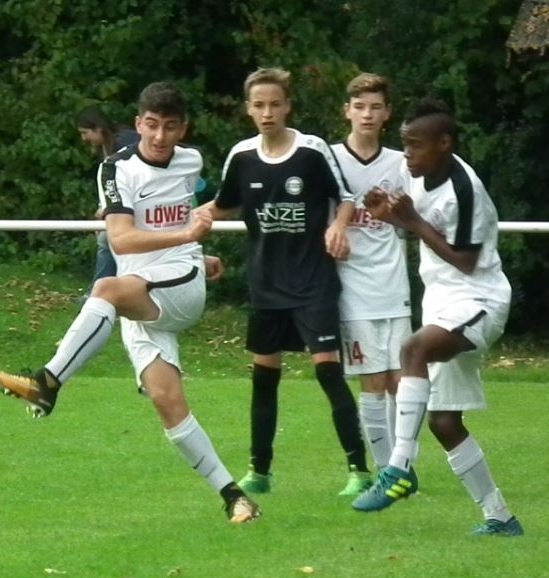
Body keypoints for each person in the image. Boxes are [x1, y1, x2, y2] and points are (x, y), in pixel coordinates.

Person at [0, 82, 260, 524]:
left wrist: (193, 246)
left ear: (183, 129)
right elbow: (122, 239)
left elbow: (191, 211)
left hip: (180, 287)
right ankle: (234, 497)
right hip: (143, 290)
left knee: (106, 290)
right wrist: (188, 236)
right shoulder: (115, 169)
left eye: (170, 127)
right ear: (138, 124)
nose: (160, 136)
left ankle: (46, 383)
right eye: (152, 125)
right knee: (166, 401)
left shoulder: (191, 161)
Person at [352, 98, 523, 537]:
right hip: (442, 302)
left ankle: (398, 468)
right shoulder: (416, 173)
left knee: (413, 348)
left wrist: (410, 221)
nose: (407, 154)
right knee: (443, 421)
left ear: (444, 143)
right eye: (405, 144)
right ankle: (500, 518)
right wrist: (389, 215)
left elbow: (466, 260)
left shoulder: (465, 188)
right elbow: (417, 224)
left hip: (479, 300)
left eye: (416, 145)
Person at [200, 67, 371, 496]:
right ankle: (259, 472)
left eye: (275, 104)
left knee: (328, 372)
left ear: (288, 106)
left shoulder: (311, 151)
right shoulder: (242, 156)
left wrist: (338, 226)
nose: (267, 112)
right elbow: (222, 204)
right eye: (259, 105)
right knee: (264, 378)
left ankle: (359, 470)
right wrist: (189, 220)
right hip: (266, 285)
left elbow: (346, 197)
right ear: (248, 109)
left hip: (313, 282)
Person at [331, 73, 412, 473]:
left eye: (375, 107)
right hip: (352, 288)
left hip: (394, 284)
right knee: (373, 380)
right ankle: (384, 471)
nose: (367, 114)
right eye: (360, 106)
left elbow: (416, 217)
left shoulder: (401, 163)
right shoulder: (329, 159)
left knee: (401, 381)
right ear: (346, 110)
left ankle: (402, 467)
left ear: (387, 113)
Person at [76, 105, 140, 288]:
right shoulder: (106, 147)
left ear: (98, 128)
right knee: (107, 241)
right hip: (122, 206)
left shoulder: (125, 143)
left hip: (139, 203)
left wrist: (106, 210)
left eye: (85, 132)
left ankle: (98, 291)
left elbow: (131, 178)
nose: (83, 138)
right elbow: (108, 181)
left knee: (106, 239)